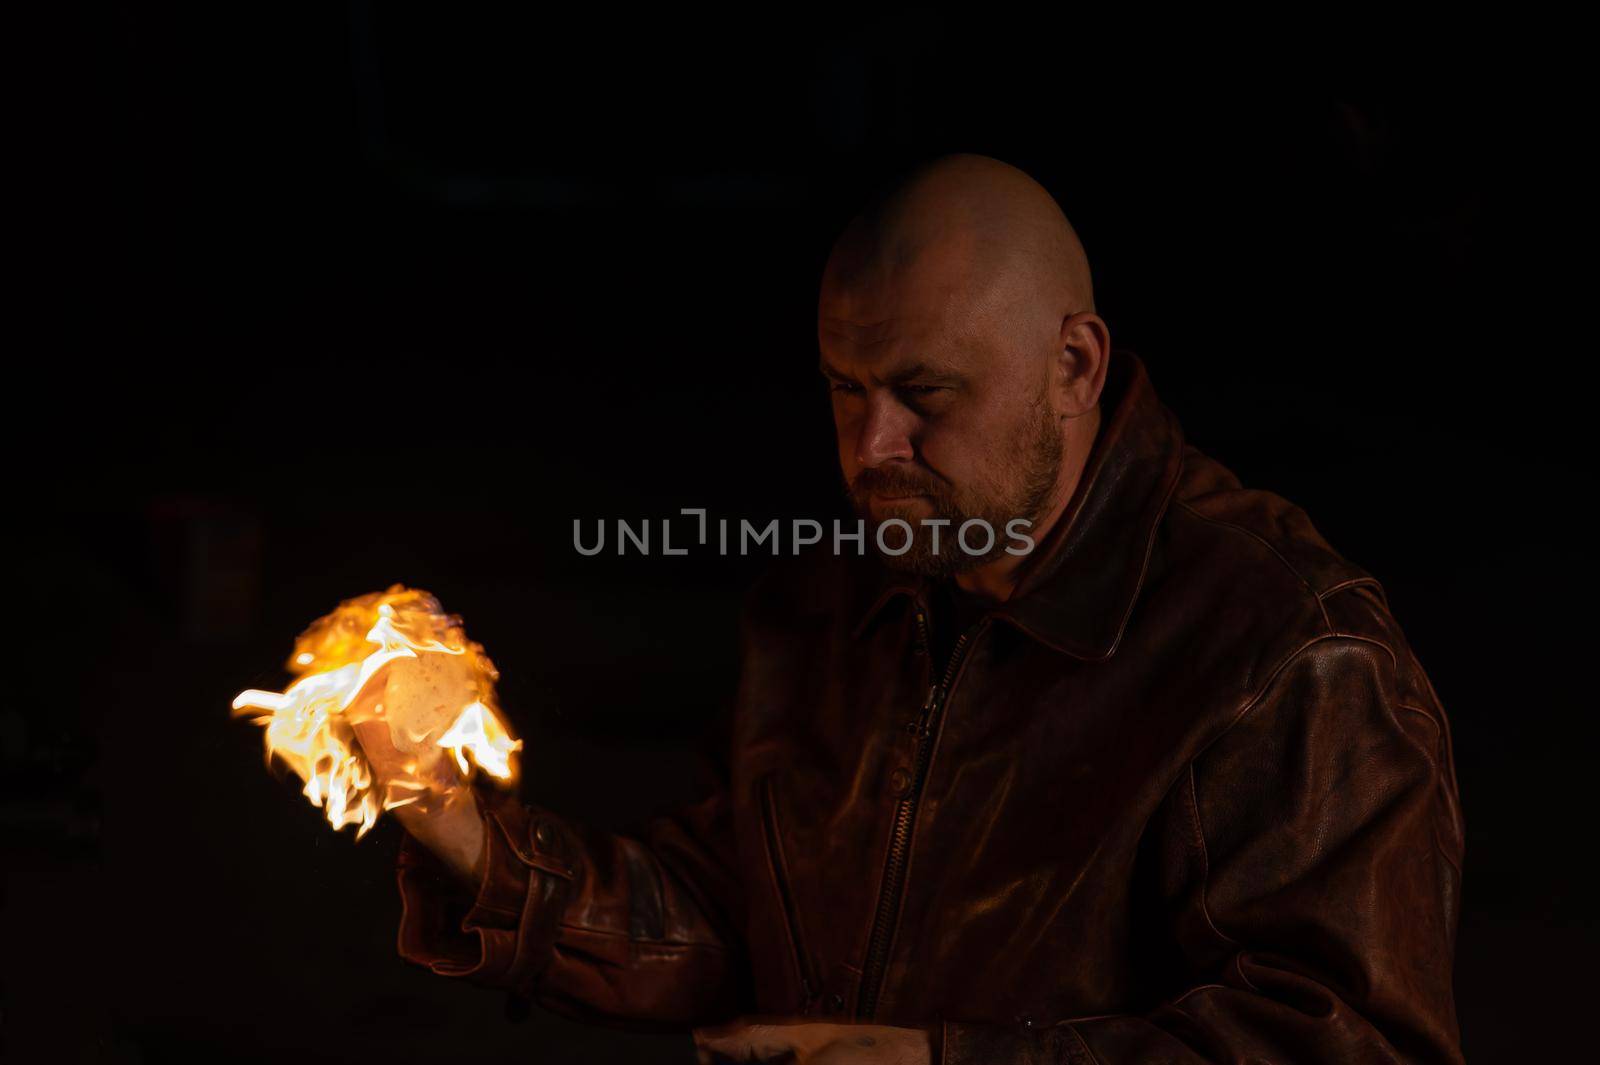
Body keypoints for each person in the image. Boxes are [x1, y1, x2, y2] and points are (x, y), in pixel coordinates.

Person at [358, 154, 1465, 1064]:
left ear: (1073, 365)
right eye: (845, 389)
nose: (871, 451)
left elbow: (1352, 1048)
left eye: (923, 394)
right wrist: (474, 845)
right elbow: (741, 916)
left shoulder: (1287, 653)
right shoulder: (832, 602)